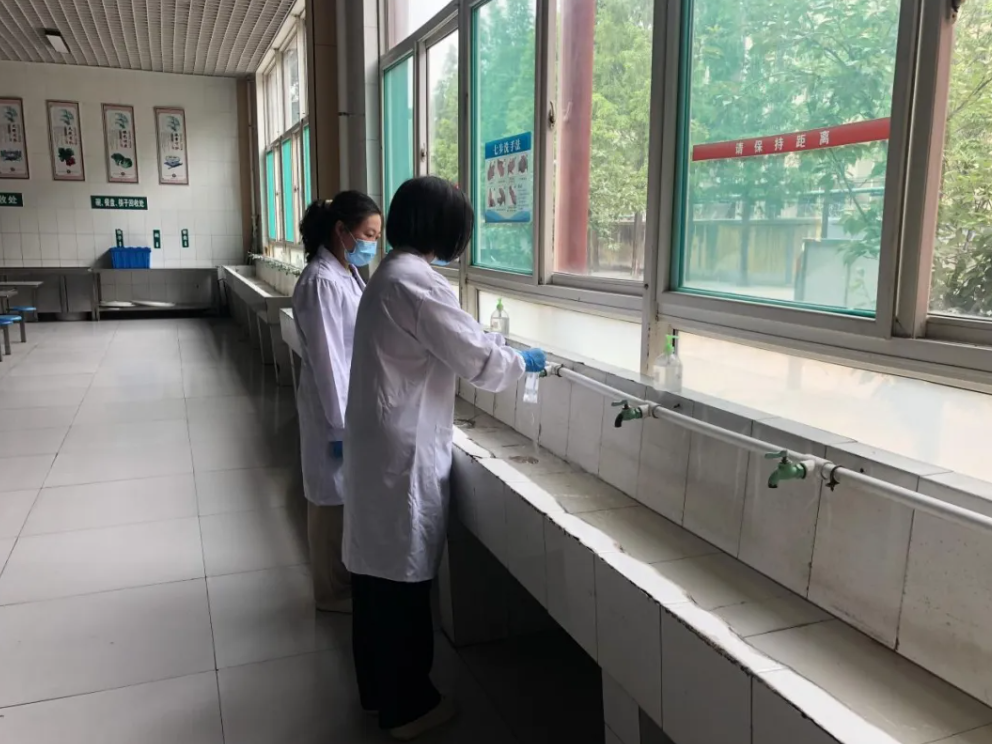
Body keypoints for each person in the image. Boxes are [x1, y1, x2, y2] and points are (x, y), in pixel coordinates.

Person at [342, 176, 546, 740]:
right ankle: (408, 708)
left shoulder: (390, 273)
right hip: (401, 451)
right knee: (402, 584)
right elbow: (478, 361)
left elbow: (455, 341)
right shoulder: (420, 283)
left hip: (379, 444)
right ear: (446, 230)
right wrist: (521, 362)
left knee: (374, 579)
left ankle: (377, 693)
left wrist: (496, 348)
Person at [292, 192, 382, 614]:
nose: (373, 244)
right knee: (329, 501)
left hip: (349, 408)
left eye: (377, 236)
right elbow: (330, 364)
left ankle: (342, 585)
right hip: (333, 415)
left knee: (343, 501)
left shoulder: (346, 273)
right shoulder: (321, 282)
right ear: (341, 231)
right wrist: (342, 428)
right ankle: (329, 593)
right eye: (368, 234)